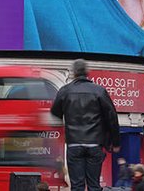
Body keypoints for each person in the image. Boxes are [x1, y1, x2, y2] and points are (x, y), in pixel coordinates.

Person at [51, 59, 121, 191]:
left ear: (74, 73)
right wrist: (115, 142)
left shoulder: (65, 91)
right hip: (94, 144)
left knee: (77, 186)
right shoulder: (99, 91)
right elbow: (111, 117)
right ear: (87, 72)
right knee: (94, 185)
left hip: (74, 143)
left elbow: (55, 111)